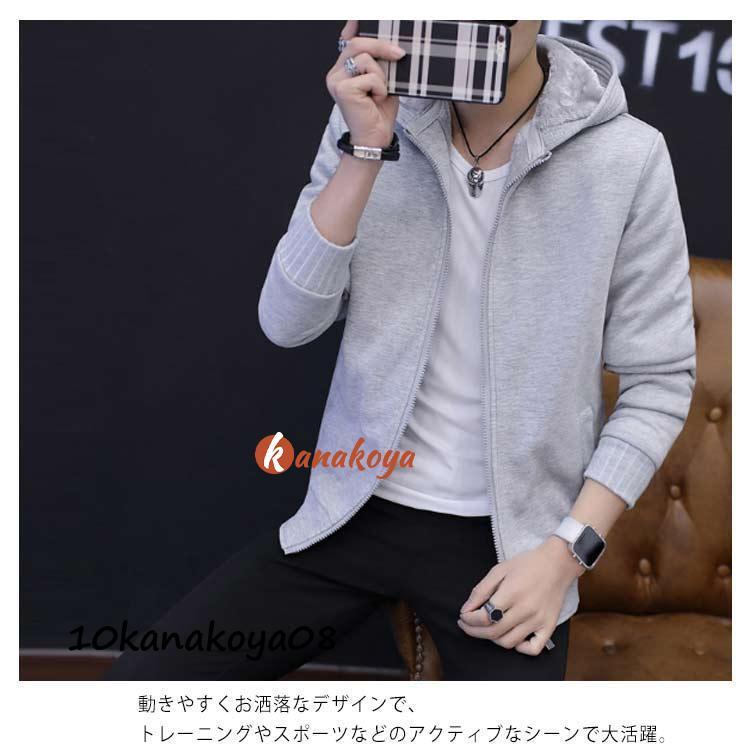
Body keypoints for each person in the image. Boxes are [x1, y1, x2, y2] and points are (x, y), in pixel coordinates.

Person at [104, 20, 696, 681]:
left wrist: (565, 554)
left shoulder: (627, 156)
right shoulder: (370, 120)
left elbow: (659, 383)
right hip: (354, 510)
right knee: (135, 692)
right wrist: (364, 150)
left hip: (508, 542)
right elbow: (287, 322)